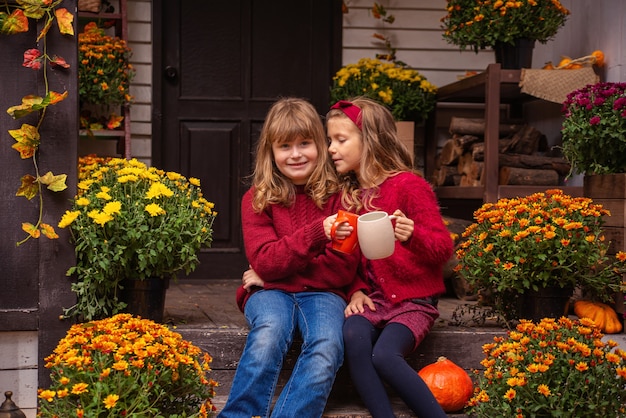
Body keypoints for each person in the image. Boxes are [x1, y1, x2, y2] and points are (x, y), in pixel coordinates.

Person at [218, 97, 361, 418]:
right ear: (270, 152)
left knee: (327, 345)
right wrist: (316, 236)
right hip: (270, 293)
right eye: (285, 146)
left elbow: (340, 271)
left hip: (323, 294)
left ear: (321, 146)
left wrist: (273, 272)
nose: (295, 154)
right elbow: (266, 260)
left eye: (305, 143)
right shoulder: (257, 199)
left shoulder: (343, 198)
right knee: (270, 331)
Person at [326, 97, 454, 418]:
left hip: (414, 301)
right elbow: (347, 259)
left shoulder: (410, 186)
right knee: (353, 338)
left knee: (383, 356)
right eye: (330, 140)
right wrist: (355, 288)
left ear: (369, 141)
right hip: (373, 300)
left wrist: (412, 235)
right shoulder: (349, 196)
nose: (331, 148)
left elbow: (443, 248)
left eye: (341, 140)